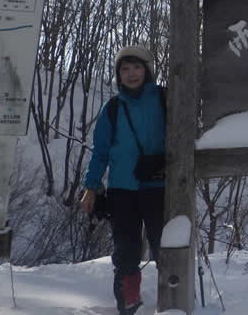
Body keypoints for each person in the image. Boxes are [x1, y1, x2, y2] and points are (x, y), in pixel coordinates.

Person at [80, 46, 166, 314]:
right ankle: (129, 305)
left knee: (167, 249)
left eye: (137, 67)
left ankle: (175, 301)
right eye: (125, 69)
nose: (131, 74)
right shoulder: (113, 108)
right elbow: (101, 152)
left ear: (147, 70)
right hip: (122, 191)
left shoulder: (165, 98)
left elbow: (185, 135)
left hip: (160, 188)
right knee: (126, 252)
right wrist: (91, 187)